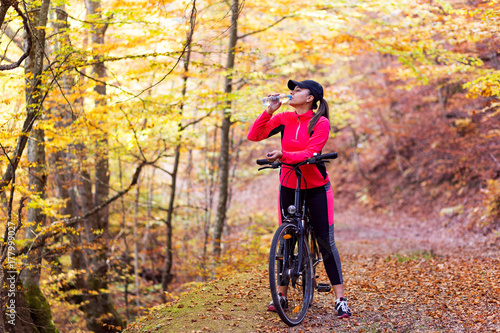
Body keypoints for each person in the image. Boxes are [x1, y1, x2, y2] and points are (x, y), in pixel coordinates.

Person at [247, 79, 352, 319]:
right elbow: (254, 135)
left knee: (326, 241)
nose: (291, 93)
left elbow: (311, 153)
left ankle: (340, 299)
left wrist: (284, 154)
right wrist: (268, 111)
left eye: (297, 90)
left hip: (315, 186)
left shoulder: (320, 122)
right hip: (288, 184)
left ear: (310, 98)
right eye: (291, 90)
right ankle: (281, 295)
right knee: (287, 238)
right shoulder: (283, 118)